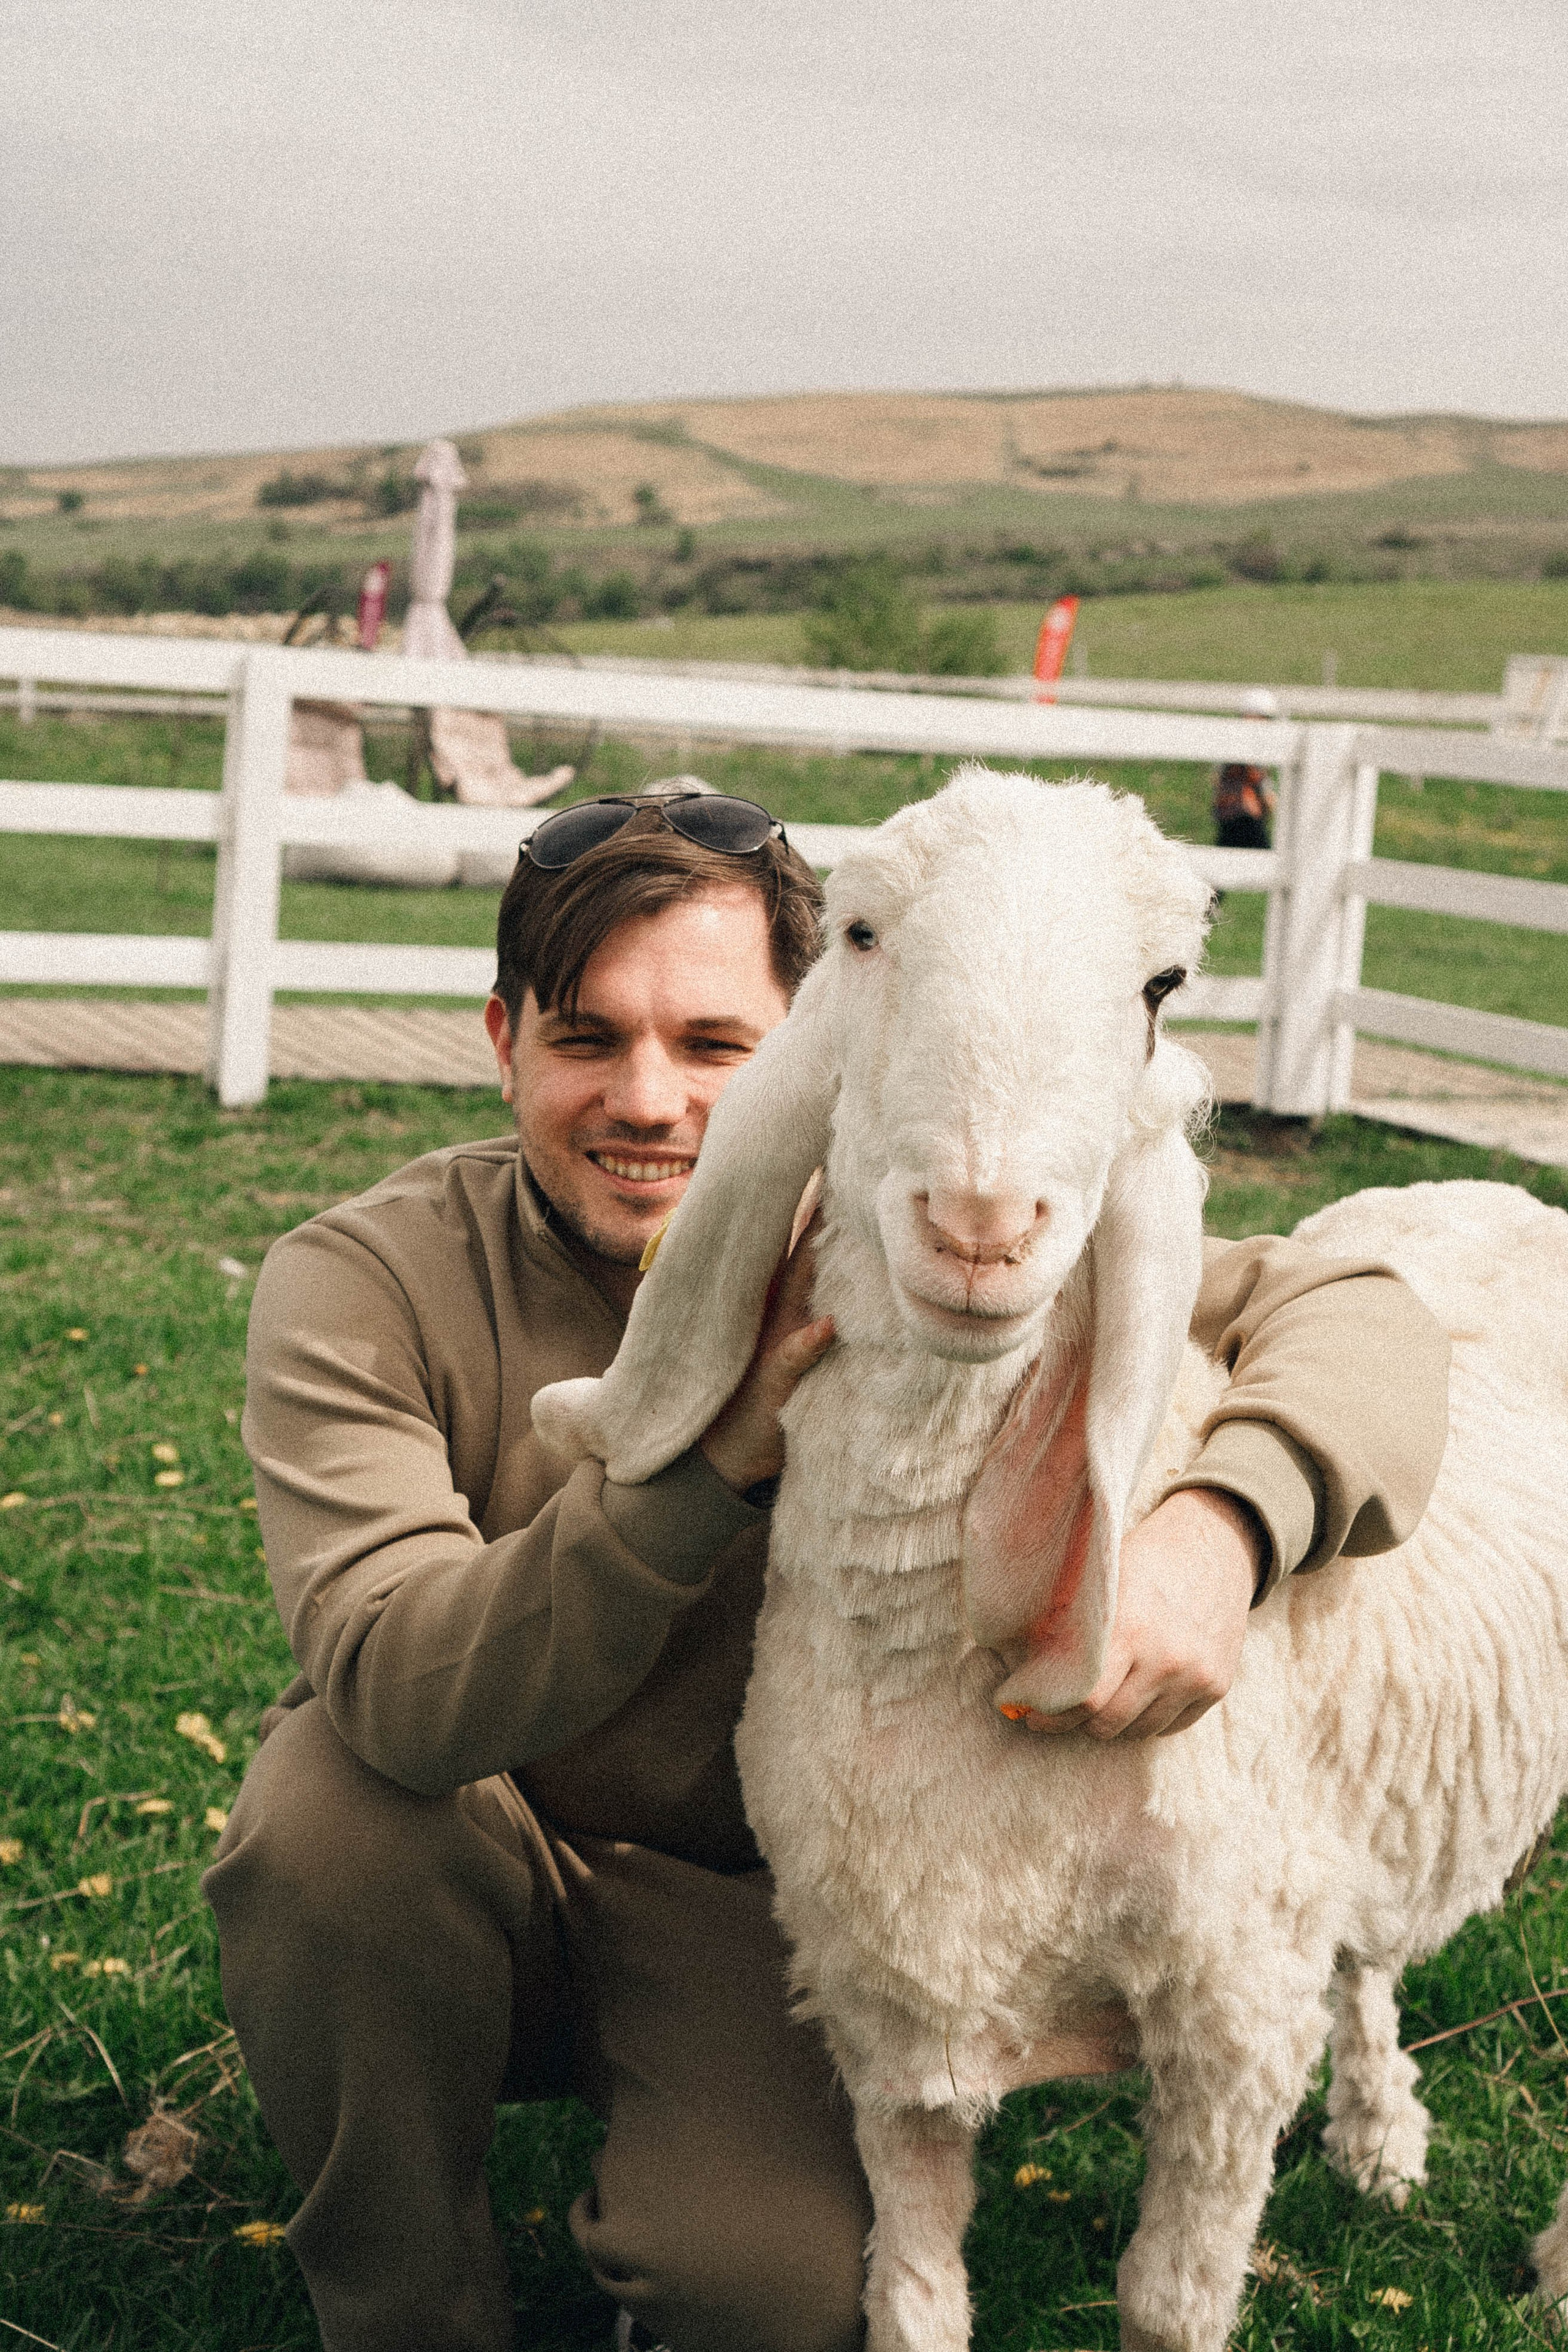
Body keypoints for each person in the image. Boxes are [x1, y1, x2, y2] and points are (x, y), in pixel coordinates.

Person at [205, 788, 1449, 2352]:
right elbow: (399, 1687)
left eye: (711, 1044)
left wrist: (1228, 1525)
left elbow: (1363, 1322)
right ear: (503, 1038)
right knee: (325, 1809)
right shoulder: (367, 1278)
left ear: (822, 1034)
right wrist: (701, 1476)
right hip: (473, 1841)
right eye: (587, 1037)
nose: (647, 1099)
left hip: (752, 1901)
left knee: (768, 2294)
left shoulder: (909, 1222)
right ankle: (410, 2312)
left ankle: (695, 2183)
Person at [1212, 684, 1281, 851]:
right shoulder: (1247, 746)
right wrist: (1270, 802)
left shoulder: (1234, 742)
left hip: (1230, 817)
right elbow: (1259, 781)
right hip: (1246, 815)